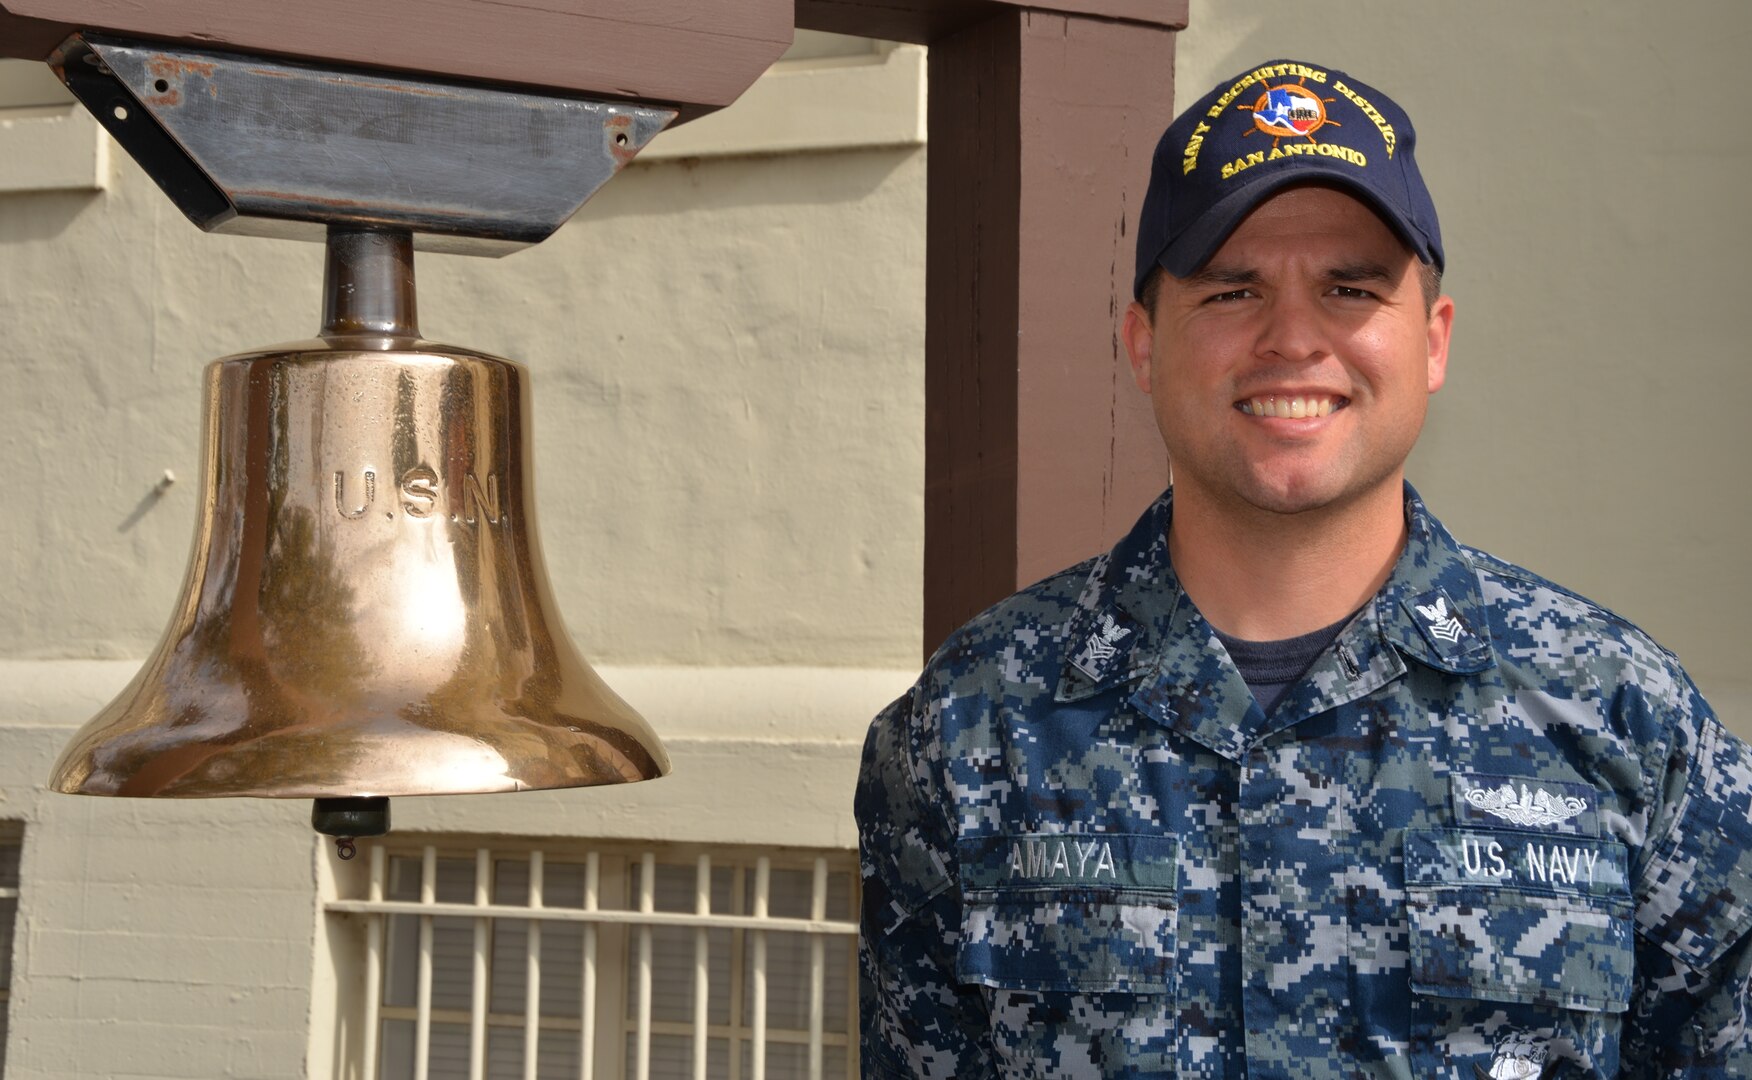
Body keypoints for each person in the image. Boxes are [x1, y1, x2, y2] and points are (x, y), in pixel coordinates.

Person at [854, 58, 1752, 1079]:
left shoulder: (1623, 719)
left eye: (1350, 288)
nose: (1291, 339)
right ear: (1144, 346)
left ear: (1433, 343)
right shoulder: (970, 728)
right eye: (1233, 290)